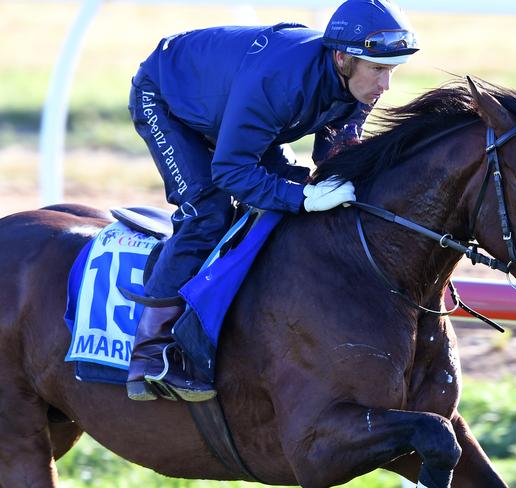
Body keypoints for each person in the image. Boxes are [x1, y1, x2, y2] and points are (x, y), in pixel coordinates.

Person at [127, 0, 419, 402]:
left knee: (298, 189)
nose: (385, 85)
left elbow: (334, 156)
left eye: (392, 70)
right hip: (165, 96)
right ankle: (150, 355)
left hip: (230, 103)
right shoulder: (280, 82)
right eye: (379, 70)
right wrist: (301, 198)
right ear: (341, 58)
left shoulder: (356, 81)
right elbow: (230, 172)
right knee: (208, 211)